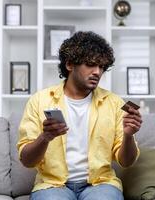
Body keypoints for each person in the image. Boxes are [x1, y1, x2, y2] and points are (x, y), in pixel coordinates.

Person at [17, 31, 142, 200]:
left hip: (100, 184)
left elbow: (126, 162)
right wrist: (45, 137)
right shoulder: (40, 101)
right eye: (91, 64)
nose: (97, 72)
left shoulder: (114, 104)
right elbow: (27, 160)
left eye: (102, 67)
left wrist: (128, 136)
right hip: (53, 185)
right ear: (70, 64)